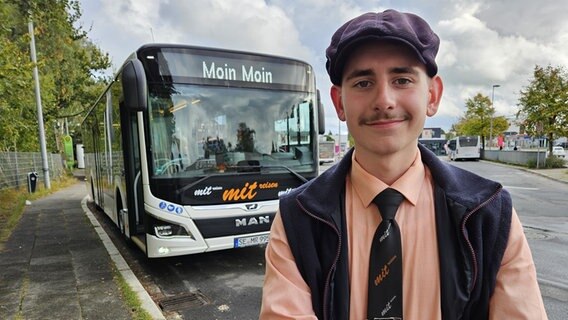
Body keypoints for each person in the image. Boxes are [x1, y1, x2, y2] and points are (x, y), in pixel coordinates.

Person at [260, 9, 547, 320]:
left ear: (433, 95)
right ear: (339, 103)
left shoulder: (489, 214)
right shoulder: (298, 218)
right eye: (363, 83)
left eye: (402, 79)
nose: (384, 100)